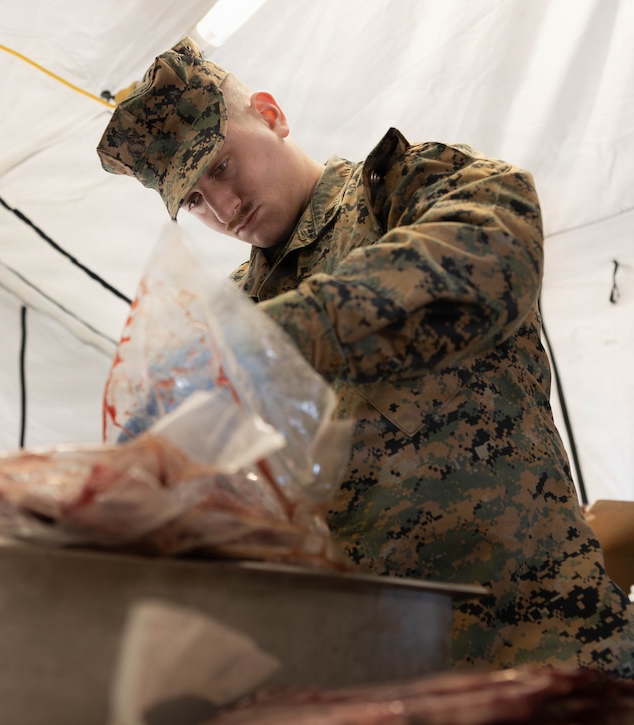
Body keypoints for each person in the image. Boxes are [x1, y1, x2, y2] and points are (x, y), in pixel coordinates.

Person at [96, 36, 634, 676]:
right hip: (367, 669)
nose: (224, 207)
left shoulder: (402, 188)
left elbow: (489, 258)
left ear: (270, 114)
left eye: (219, 166)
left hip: (534, 638)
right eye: (192, 201)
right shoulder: (230, 314)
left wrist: (262, 345)